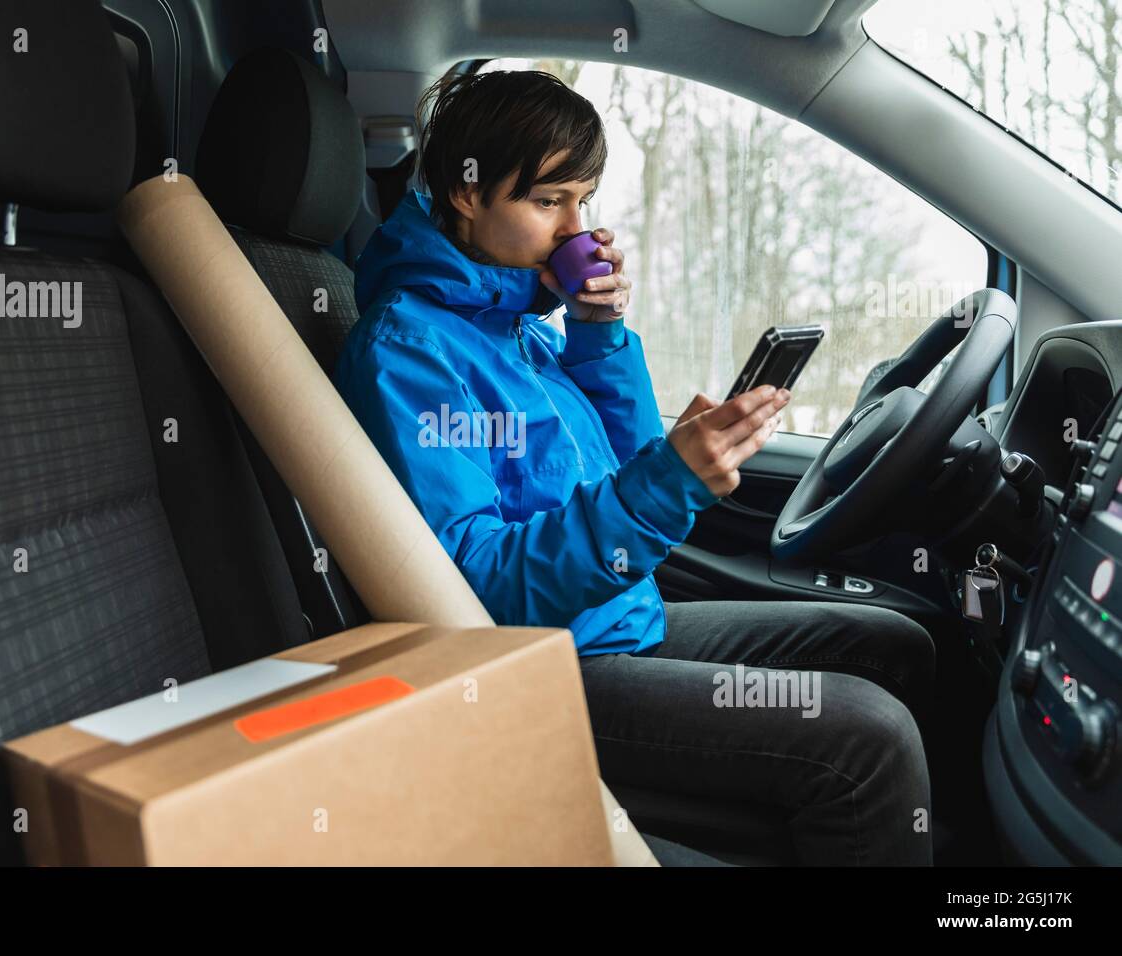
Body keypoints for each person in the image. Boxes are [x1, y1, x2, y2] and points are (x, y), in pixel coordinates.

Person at [333, 68, 935, 865]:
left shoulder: (525, 330)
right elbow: (475, 585)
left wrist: (598, 330)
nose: (577, 230)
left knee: (894, 644)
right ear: (466, 193)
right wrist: (668, 481)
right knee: (868, 740)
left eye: (584, 200)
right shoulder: (410, 351)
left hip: (615, 622)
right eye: (550, 201)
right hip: (542, 668)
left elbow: (623, 464)